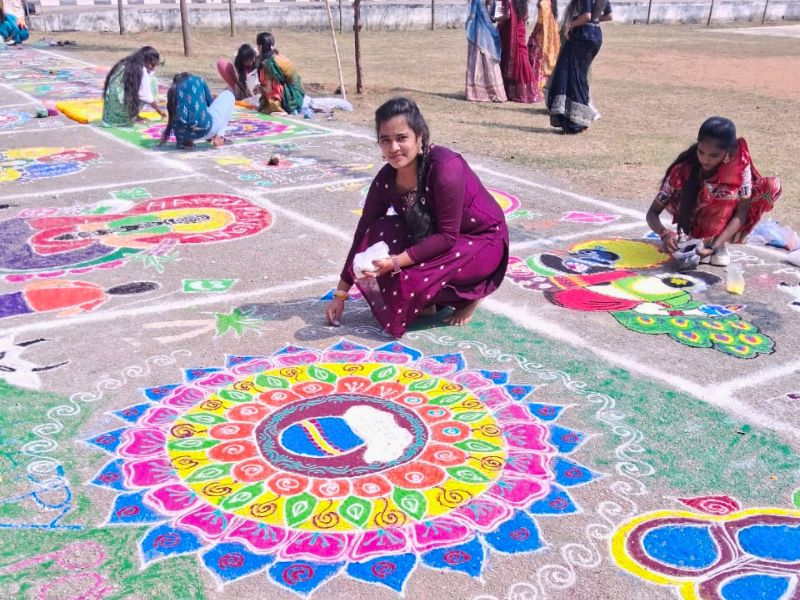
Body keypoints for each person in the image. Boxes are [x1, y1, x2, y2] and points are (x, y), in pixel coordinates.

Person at [326, 97, 509, 338]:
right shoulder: (386, 179)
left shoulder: (445, 167)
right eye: (385, 140)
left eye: (401, 138)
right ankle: (431, 302)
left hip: (481, 243)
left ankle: (471, 295)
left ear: (419, 137)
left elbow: (446, 237)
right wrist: (340, 294)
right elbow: (364, 231)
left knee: (407, 279)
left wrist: (395, 261)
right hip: (436, 240)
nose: (393, 148)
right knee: (380, 230)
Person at [646, 117, 781, 267]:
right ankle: (696, 238)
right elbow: (652, 213)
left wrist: (714, 247)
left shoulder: (741, 165)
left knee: (768, 186)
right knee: (707, 190)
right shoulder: (683, 170)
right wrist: (665, 234)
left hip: (725, 219)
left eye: (714, 155)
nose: (705, 160)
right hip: (695, 216)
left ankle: (716, 241)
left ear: (727, 152)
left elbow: (741, 214)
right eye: (701, 152)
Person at [546, 0, 611, 134]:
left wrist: (570, 24)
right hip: (595, 34)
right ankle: (578, 120)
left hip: (582, 36)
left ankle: (576, 123)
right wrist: (594, 20)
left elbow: (586, 16)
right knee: (579, 77)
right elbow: (608, 16)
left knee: (571, 75)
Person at [159, 72, 235, 149]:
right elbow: (210, 104)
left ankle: (187, 143)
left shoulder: (173, 90)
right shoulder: (198, 80)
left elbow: (172, 117)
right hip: (204, 129)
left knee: (185, 117)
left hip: (181, 134)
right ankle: (219, 137)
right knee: (228, 94)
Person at [101, 46, 166, 128]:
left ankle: (133, 114)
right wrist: (159, 111)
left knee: (136, 87)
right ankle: (133, 116)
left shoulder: (125, 63)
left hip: (110, 116)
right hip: (123, 117)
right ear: (146, 60)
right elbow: (146, 96)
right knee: (152, 81)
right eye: (152, 65)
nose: (153, 68)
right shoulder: (141, 70)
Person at [495, 0, 537, 103]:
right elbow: (526, 16)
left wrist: (495, 19)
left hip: (511, 34)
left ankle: (516, 92)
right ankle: (529, 91)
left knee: (513, 58)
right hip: (520, 30)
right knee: (523, 59)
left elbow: (507, 15)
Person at [465, 0, 507, 103]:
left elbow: (474, 15)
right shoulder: (486, 2)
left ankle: (477, 92)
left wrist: (467, 24)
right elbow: (489, 16)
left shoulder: (477, 1)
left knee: (480, 58)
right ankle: (492, 91)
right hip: (484, 31)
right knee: (486, 59)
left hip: (478, 32)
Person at [255, 31, 305, 115]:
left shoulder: (268, 64)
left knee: (266, 101)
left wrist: (259, 88)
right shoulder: (278, 57)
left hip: (289, 99)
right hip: (298, 95)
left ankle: (278, 107)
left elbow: (269, 89)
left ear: (260, 47)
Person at [527, 0, 559, 102]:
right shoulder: (552, 2)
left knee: (537, 61)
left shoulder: (543, 3)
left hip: (541, 37)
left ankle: (536, 86)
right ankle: (544, 86)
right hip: (549, 37)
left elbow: (540, 23)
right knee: (543, 61)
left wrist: (532, 35)